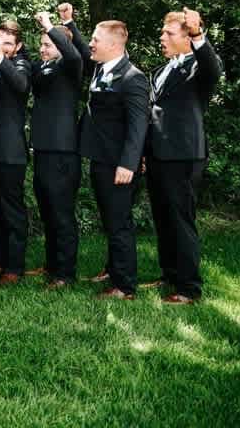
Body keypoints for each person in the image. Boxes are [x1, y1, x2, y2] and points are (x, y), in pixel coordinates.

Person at [144, 8, 222, 304]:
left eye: (169, 33)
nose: (162, 38)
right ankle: (170, 275)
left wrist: (199, 33)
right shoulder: (162, 69)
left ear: (188, 37)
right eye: (162, 32)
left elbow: (213, 69)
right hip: (158, 155)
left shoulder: (201, 67)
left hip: (183, 156)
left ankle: (189, 288)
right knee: (163, 217)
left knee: (181, 219)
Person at [77, 19, 149, 300]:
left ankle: (124, 286)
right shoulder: (101, 68)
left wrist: (128, 163)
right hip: (102, 159)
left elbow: (138, 125)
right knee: (110, 220)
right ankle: (112, 270)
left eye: (95, 39)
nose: (91, 44)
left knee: (119, 224)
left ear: (113, 44)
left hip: (119, 165)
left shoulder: (133, 78)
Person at [29, 11, 84, 288]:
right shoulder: (44, 68)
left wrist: (52, 26)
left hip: (62, 152)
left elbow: (73, 55)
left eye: (48, 44)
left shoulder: (71, 67)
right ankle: (52, 265)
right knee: (48, 210)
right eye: (41, 44)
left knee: (61, 213)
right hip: (43, 149)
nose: (42, 49)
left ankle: (65, 273)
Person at [0, 21, 31, 286]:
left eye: (8, 43)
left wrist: (0, 58)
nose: (2, 47)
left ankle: (15, 267)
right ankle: (0, 260)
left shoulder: (21, 64)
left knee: (12, 211)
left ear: (18, 46)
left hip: (10, 151)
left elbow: (21, 85)